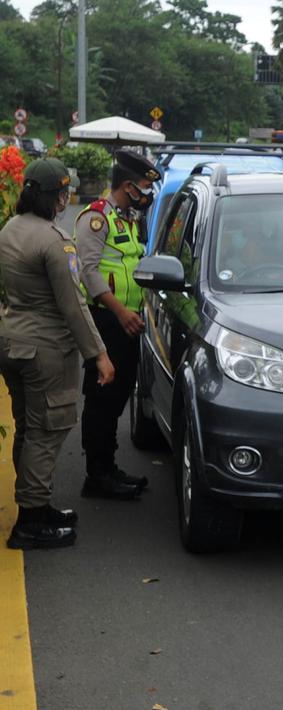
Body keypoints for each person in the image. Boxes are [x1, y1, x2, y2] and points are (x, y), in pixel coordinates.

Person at [1, 159, 115, 549]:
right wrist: (98, 353)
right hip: (46, 349)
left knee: (28, 428)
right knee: (47, 430)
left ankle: (36, 506)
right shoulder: (54, 240)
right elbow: (73, 306)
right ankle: (31, 522)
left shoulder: (11, 229)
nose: (66, 200)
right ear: (51, 196)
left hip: (13, 341)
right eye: (64, 193)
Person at [75, 149, 161, 500]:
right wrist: (120, 312)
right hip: (107, 321)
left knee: (117, 398)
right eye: (143, 187)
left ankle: (108, 468)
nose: (146, 195)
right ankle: (96, 476)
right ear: (127, 185)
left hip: (128, 322)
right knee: (101, 399)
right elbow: (88, 272)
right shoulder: (96, 219)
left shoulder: (127, 218)